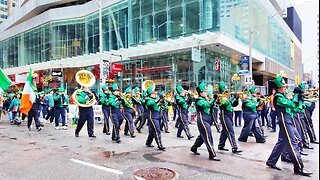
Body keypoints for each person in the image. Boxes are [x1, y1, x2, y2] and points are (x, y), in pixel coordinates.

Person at [266, 75, 312, 177]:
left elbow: (294, 108)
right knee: (293, 143)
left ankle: (271, 161)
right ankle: (298, 167)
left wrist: (301, 103)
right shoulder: (278, 97)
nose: (286, 89)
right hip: (284, 121)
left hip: (288, 120)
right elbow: (290, 104)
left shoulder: (282, 96)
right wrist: (296, 96)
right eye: (284, 87)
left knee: (282, 142)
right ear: (279, 88)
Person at [190, 82, 220, 161]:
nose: (206, 93)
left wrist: (214, 100)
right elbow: (206, 105)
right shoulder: (198, 100)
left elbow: (211, 107)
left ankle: (194, 148)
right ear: (200, 93)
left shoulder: (206, 99)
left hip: (208, 119)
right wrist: (213, 99)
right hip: (202, 119)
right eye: (205, 92)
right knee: (208, 136)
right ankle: (212, 155)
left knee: (202, 137)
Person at [217, 82, 242, 154]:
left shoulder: (226, 97)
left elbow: (233, 105)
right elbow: (225, 103)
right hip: (224, 116)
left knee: (225, 131)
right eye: (225, 90)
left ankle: (221, 145)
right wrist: (233, 97)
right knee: (230, 131)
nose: (227, 92)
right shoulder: (220, 97)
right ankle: (234, 147)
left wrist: (236, 99)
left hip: (229, 115)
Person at [145, 86, 165, 150]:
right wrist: (158, 99)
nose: (155, 94)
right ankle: (160, 145)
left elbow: (162, 105)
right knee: (157, 130)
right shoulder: (148, 99)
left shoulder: (155, 99)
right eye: (154, 93)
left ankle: (148, 142)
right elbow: (150, 103)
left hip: (158, 115)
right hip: (152, 116)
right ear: (150, 94)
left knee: (152, 131)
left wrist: (162, 101)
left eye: (155, 93)